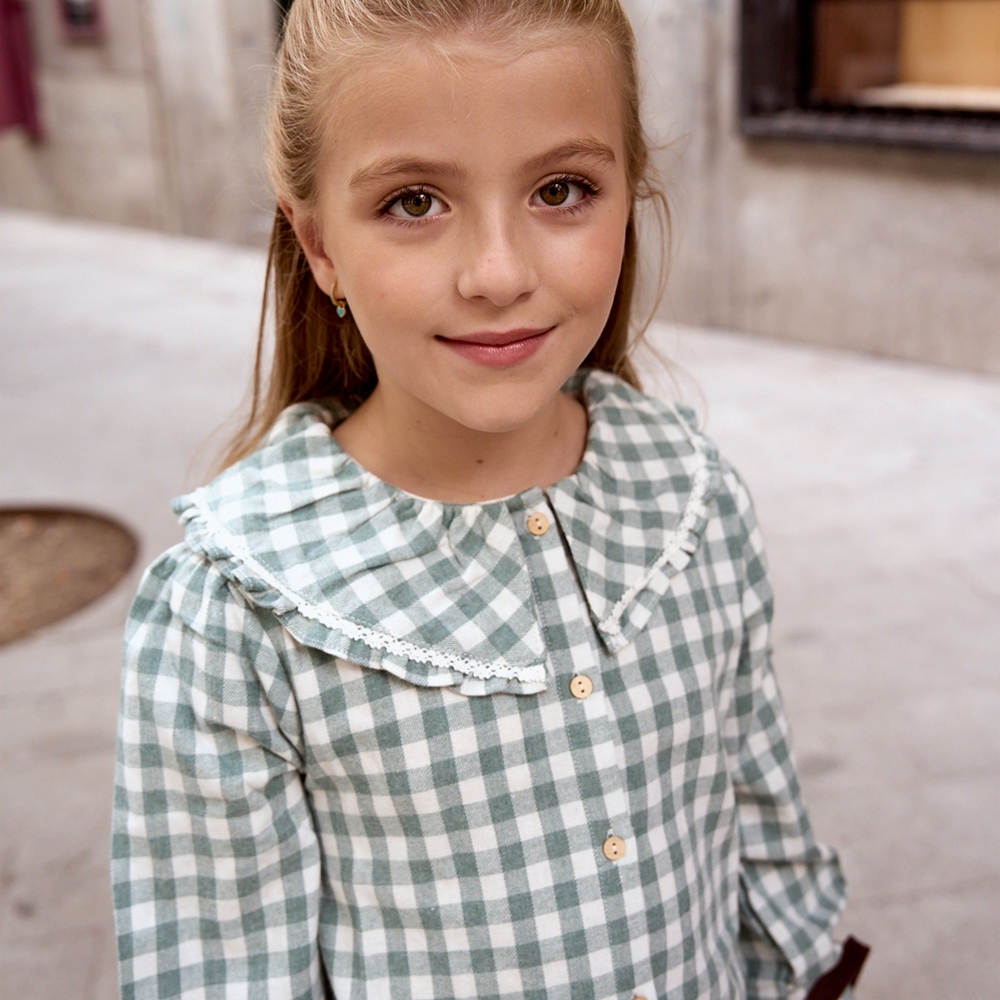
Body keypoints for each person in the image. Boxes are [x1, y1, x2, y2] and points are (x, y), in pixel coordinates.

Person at [112, 1, 860, 997]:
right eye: (414, 201)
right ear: (319, 243)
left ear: (628, 193)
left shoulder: (691, 498)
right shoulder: (236, 610)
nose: (499, 274)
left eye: (561, 189)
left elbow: (761, 831)